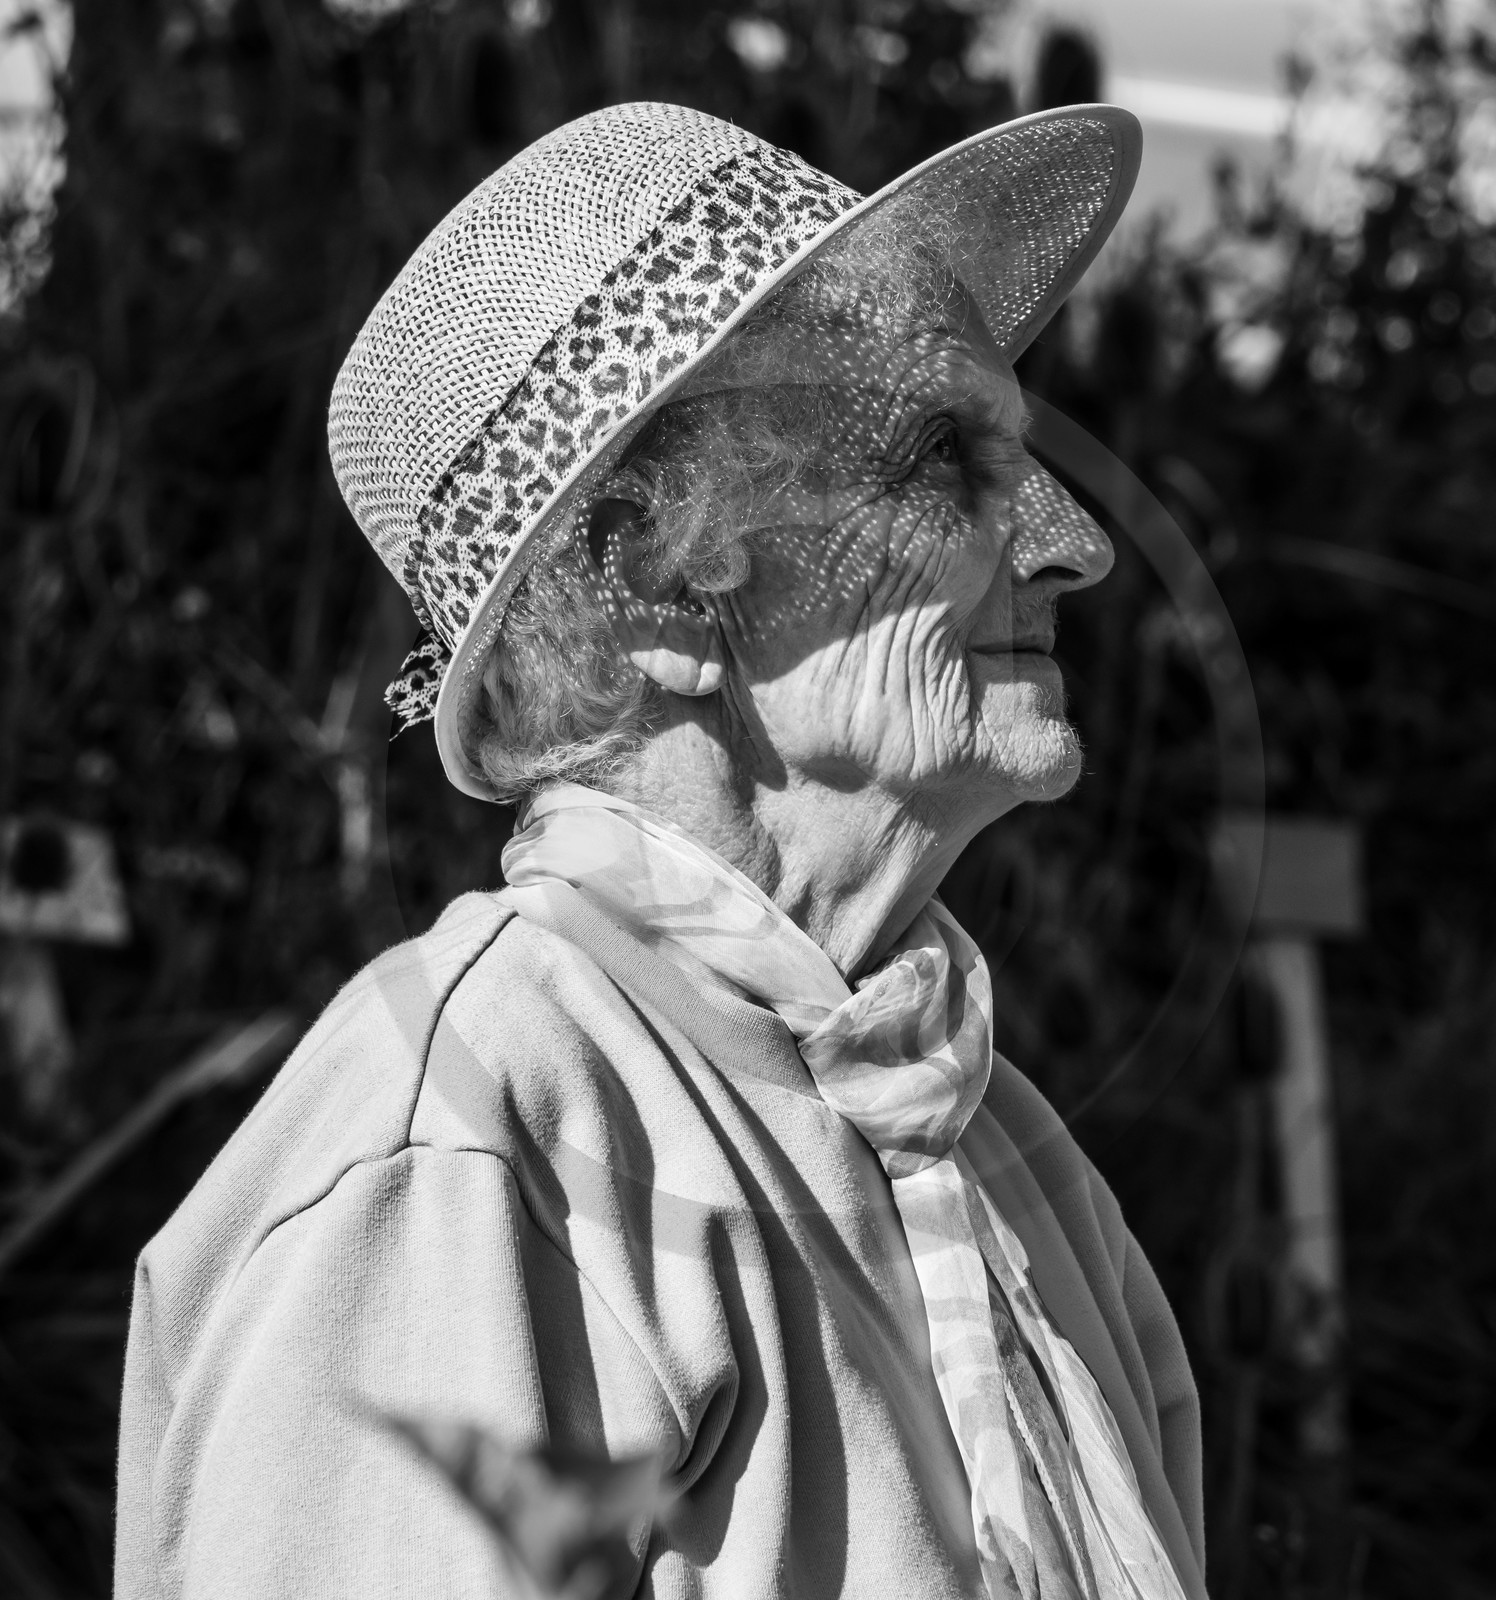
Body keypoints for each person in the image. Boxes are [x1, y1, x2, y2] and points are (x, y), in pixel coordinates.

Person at [115, 102, 1207, 1600]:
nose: (1071, 545)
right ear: (658, 584)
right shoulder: (474, 1145)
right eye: (943, 458)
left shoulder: (1004, 1150)